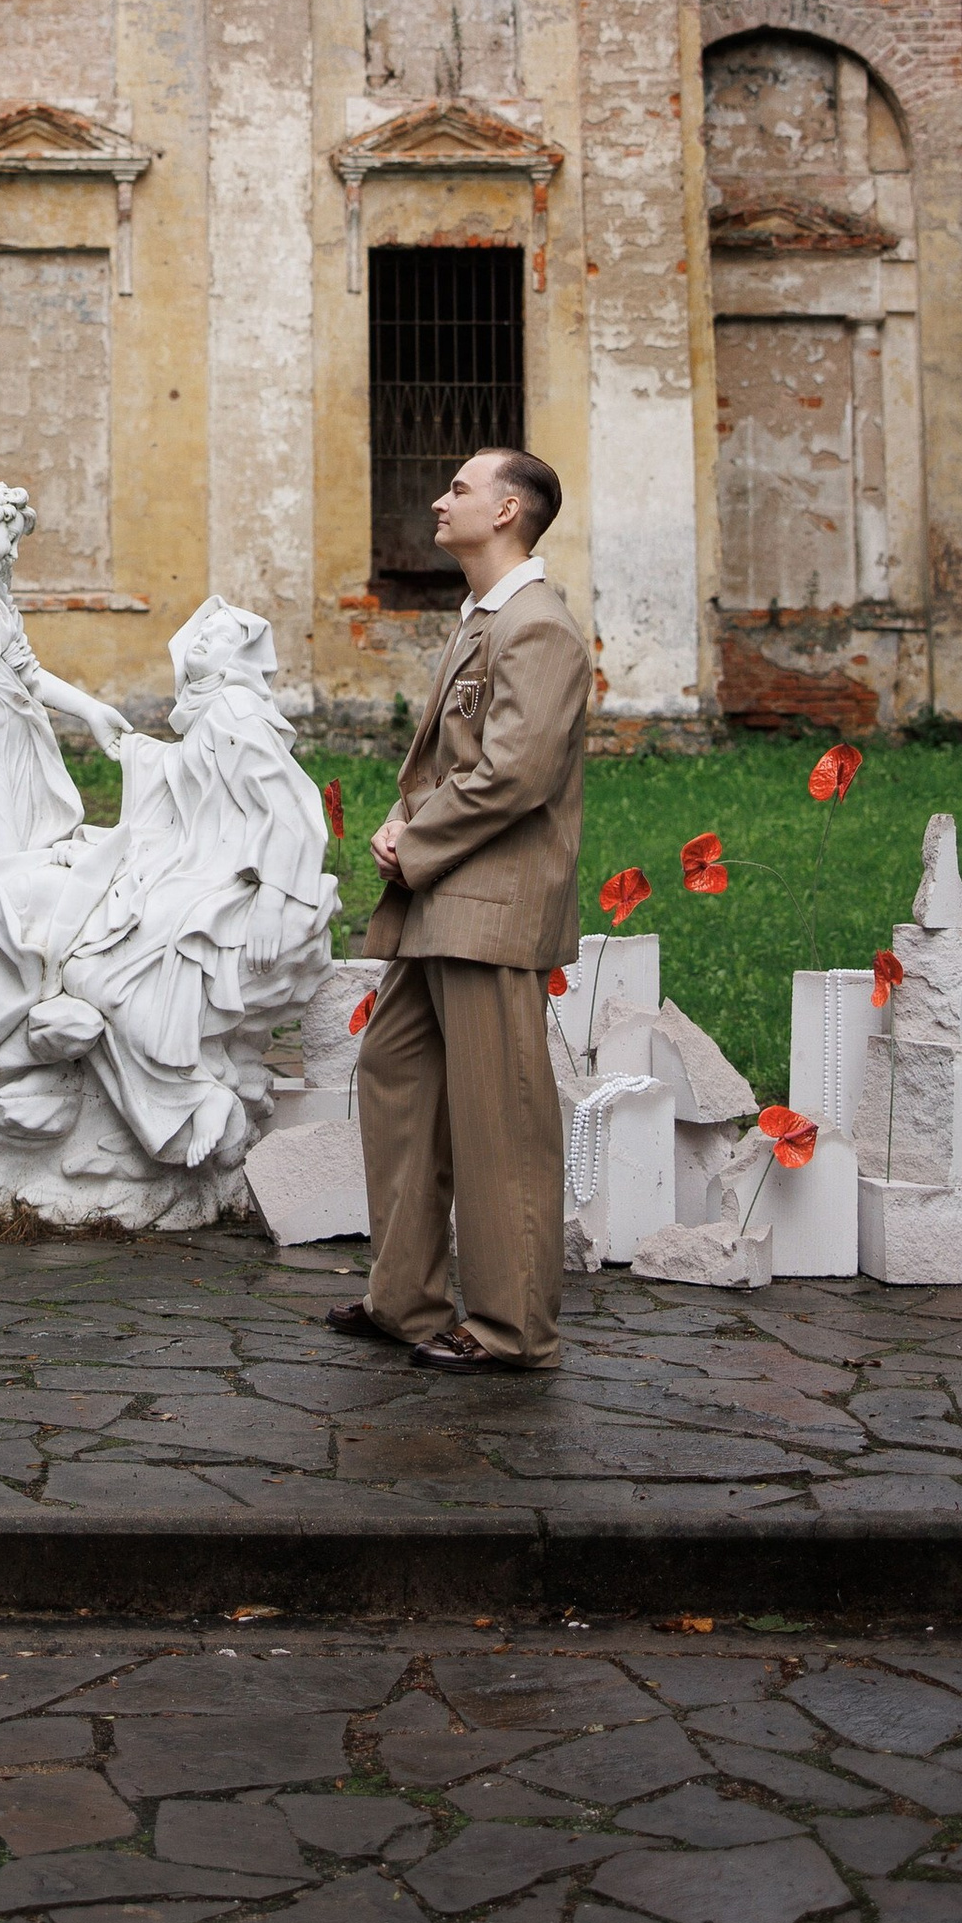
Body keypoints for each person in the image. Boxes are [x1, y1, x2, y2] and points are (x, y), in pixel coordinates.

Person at [333, 447, 588, 1372]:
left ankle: (513, 1329)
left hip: (492, 906)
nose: (439, 502)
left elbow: (516, 772)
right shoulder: (483, 618)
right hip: (447, 900)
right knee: (393, 1073)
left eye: (459, 490)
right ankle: (403, 1300)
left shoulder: (540, 627)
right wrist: (404, 820)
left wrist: (417, 840)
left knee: (501, 1123)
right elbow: (450, 761)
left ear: (509, 509)